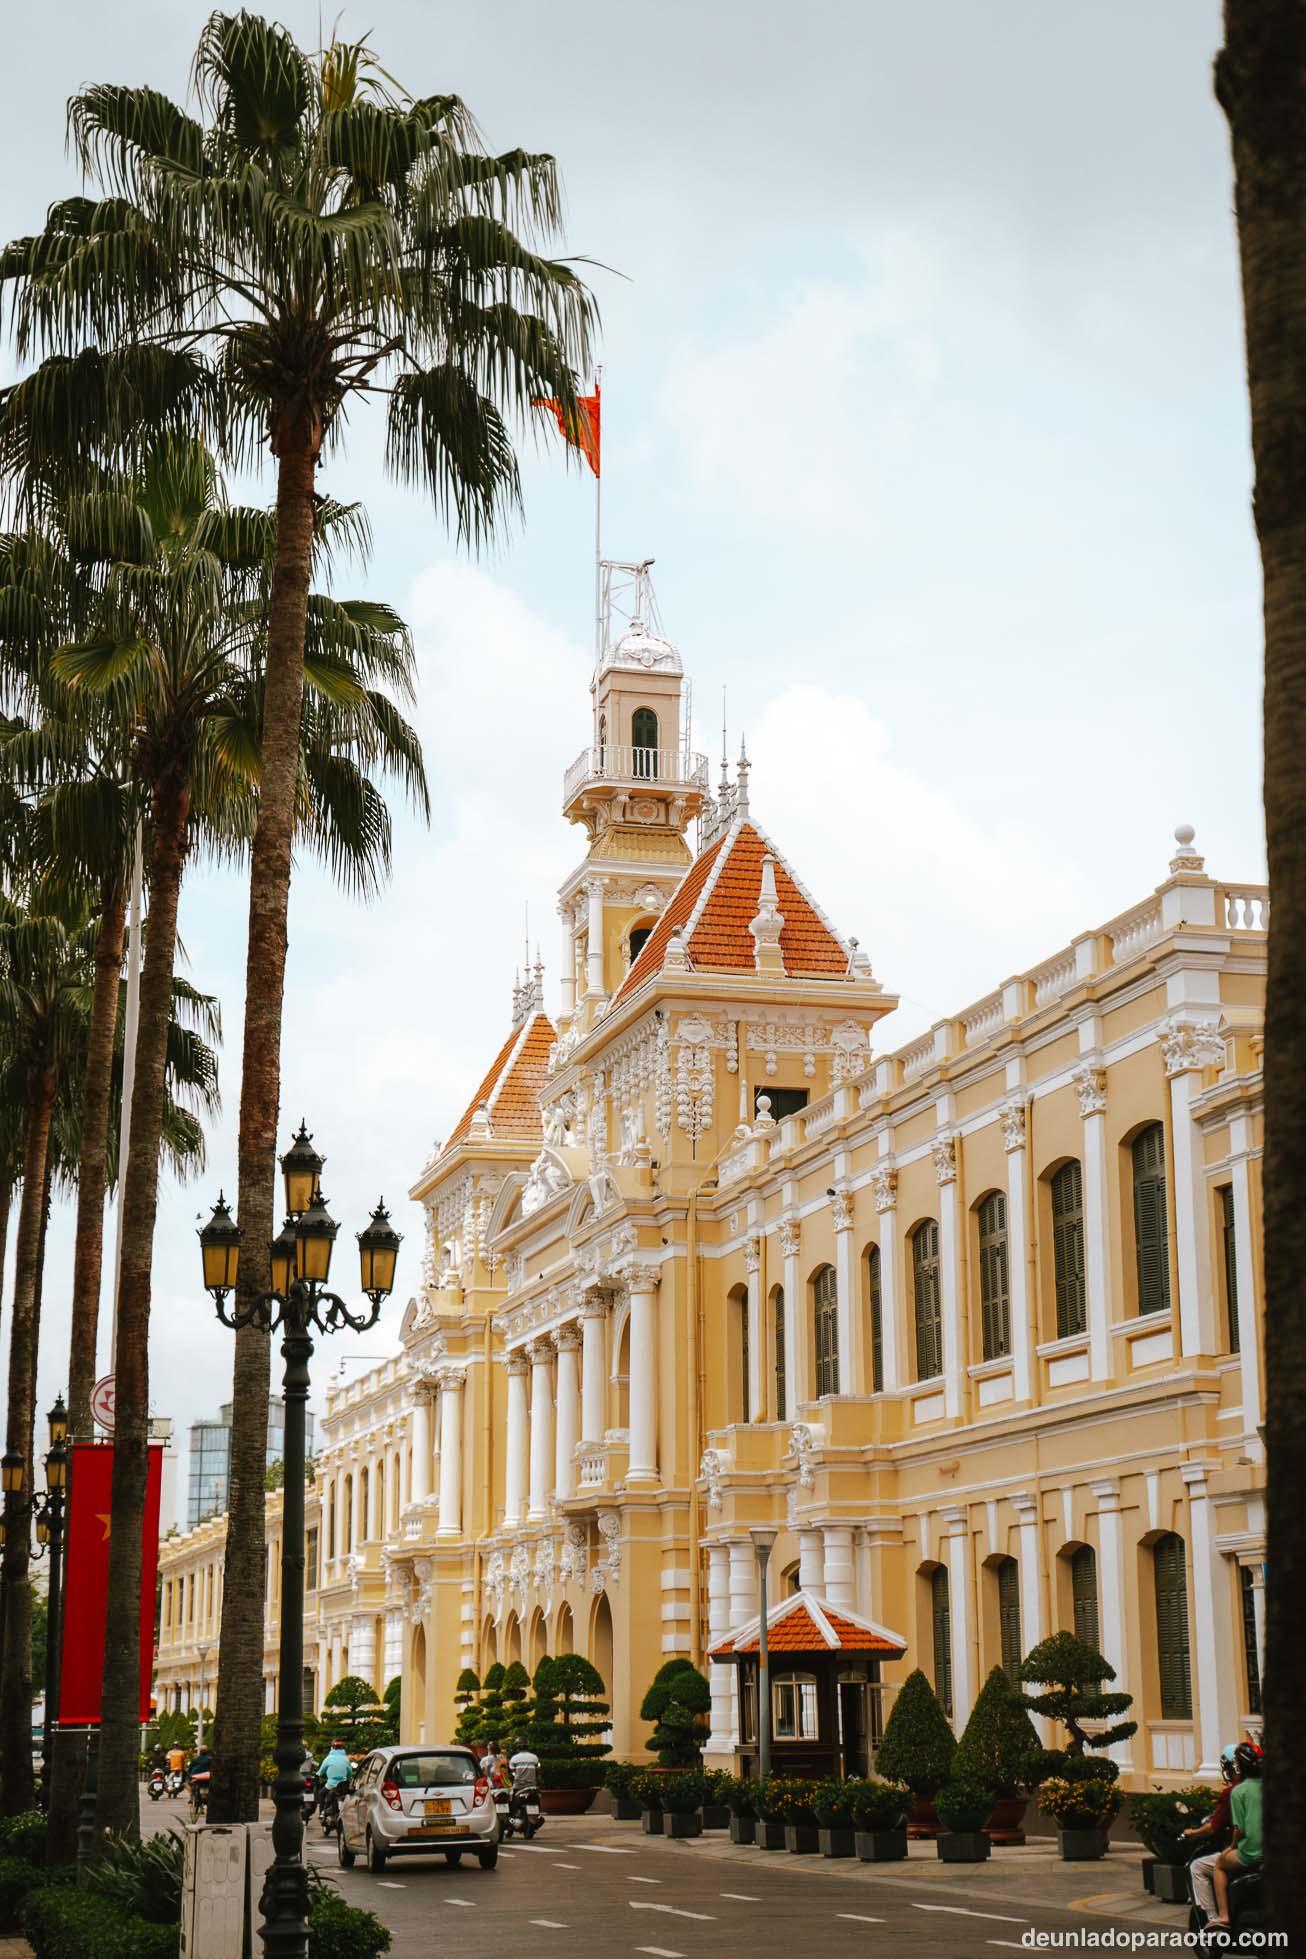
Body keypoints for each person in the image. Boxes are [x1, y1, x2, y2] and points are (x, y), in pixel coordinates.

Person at [1193, 1743, 1263, 1932]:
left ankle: (1222, 1916)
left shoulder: (1237, 1791)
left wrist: (1231, 1847)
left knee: (1219, 1865)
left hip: (1251, 1852)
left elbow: (1238, 1829)